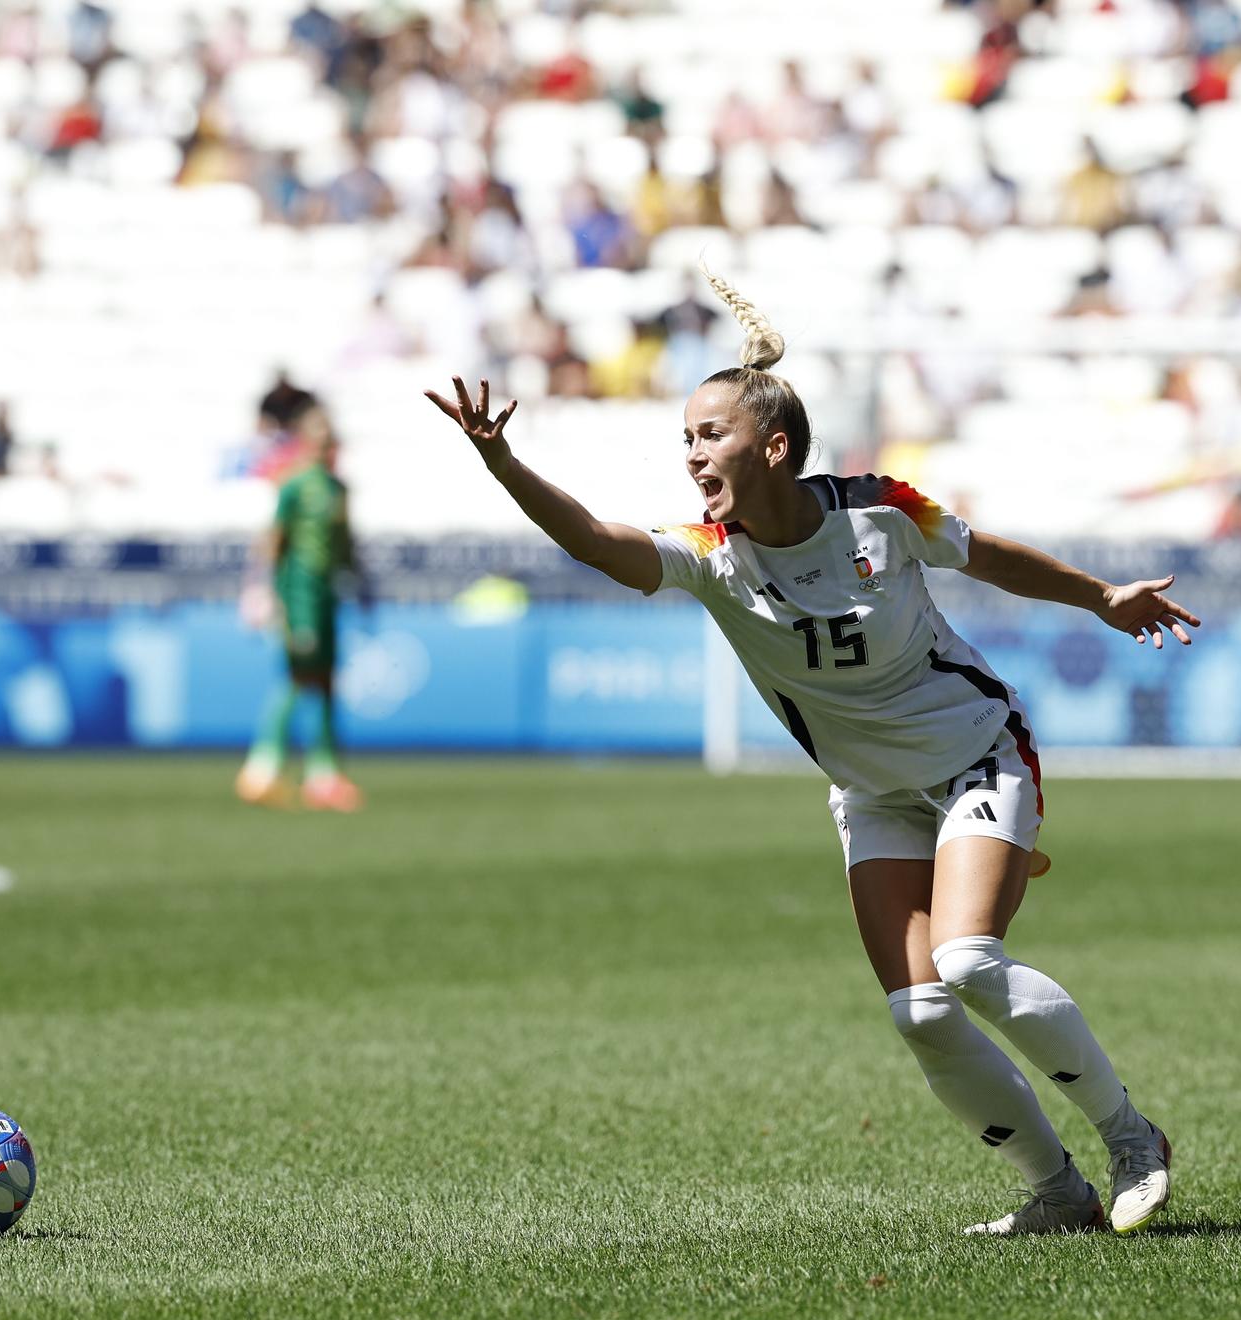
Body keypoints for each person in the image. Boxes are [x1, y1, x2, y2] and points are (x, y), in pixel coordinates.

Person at [425, 269, 1201, 1237]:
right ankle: (1057, 1192)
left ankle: (1132, 1136)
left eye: (709, 434)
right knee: (918, 1013)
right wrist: (503, 461)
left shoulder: (880, 509)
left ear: (774, 445)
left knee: (964, 958)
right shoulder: (708, 552)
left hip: (974, 755)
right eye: (685, 438)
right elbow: (590, 538)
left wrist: (1100, 597)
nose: (692, 454)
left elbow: (988, 554)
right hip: (871, 792)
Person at [235, 418, 368, 813]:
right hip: (300, 593)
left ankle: (323, 775)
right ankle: (261, 769)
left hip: (328, 594)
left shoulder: (339, 489)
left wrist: (358, 584)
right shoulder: (295, 485)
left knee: (324, 681)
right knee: (299, 677)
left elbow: (345, 543)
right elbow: (275, 538)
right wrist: (261, 590)